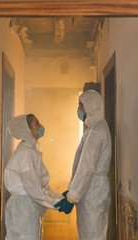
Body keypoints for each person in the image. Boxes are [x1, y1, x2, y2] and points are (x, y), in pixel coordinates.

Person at [55, 90, 112, 240]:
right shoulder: (98, 127)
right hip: (95, 190)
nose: (78, 109)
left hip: (93, 191)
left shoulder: (95, 132)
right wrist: (72, 189)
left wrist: (72, 197)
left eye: (81, 105)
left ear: (91, 106)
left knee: (91, 234)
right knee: (94, 233)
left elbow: (86, 168)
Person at [4, 114, 63, 240]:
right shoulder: (25, 153)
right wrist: (59, 204)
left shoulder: (32, 151)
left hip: (30, 208)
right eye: (37, 124)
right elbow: (35, 191)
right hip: (24, 210)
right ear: (27, 130)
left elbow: (43, 185)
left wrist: (61, 197)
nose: (41, 126)